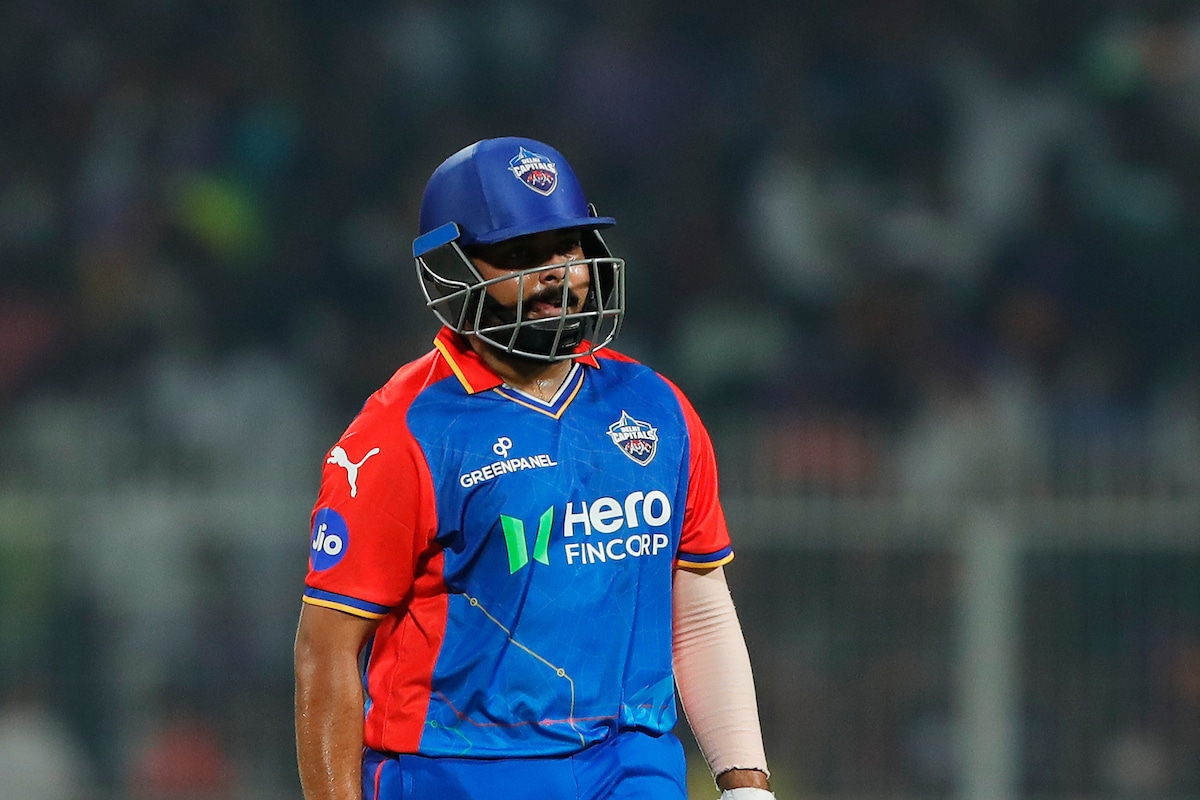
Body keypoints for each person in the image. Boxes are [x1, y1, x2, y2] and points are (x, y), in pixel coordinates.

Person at [294, 136, 775, 800]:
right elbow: (326, 651)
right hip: (457, 771)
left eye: (567, 247)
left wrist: (745, 783)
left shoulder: (657, 407)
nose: (555, 272)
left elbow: (698, 609)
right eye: (520, 255)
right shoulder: (400, 434)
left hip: (633, 763)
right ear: (454, 268)